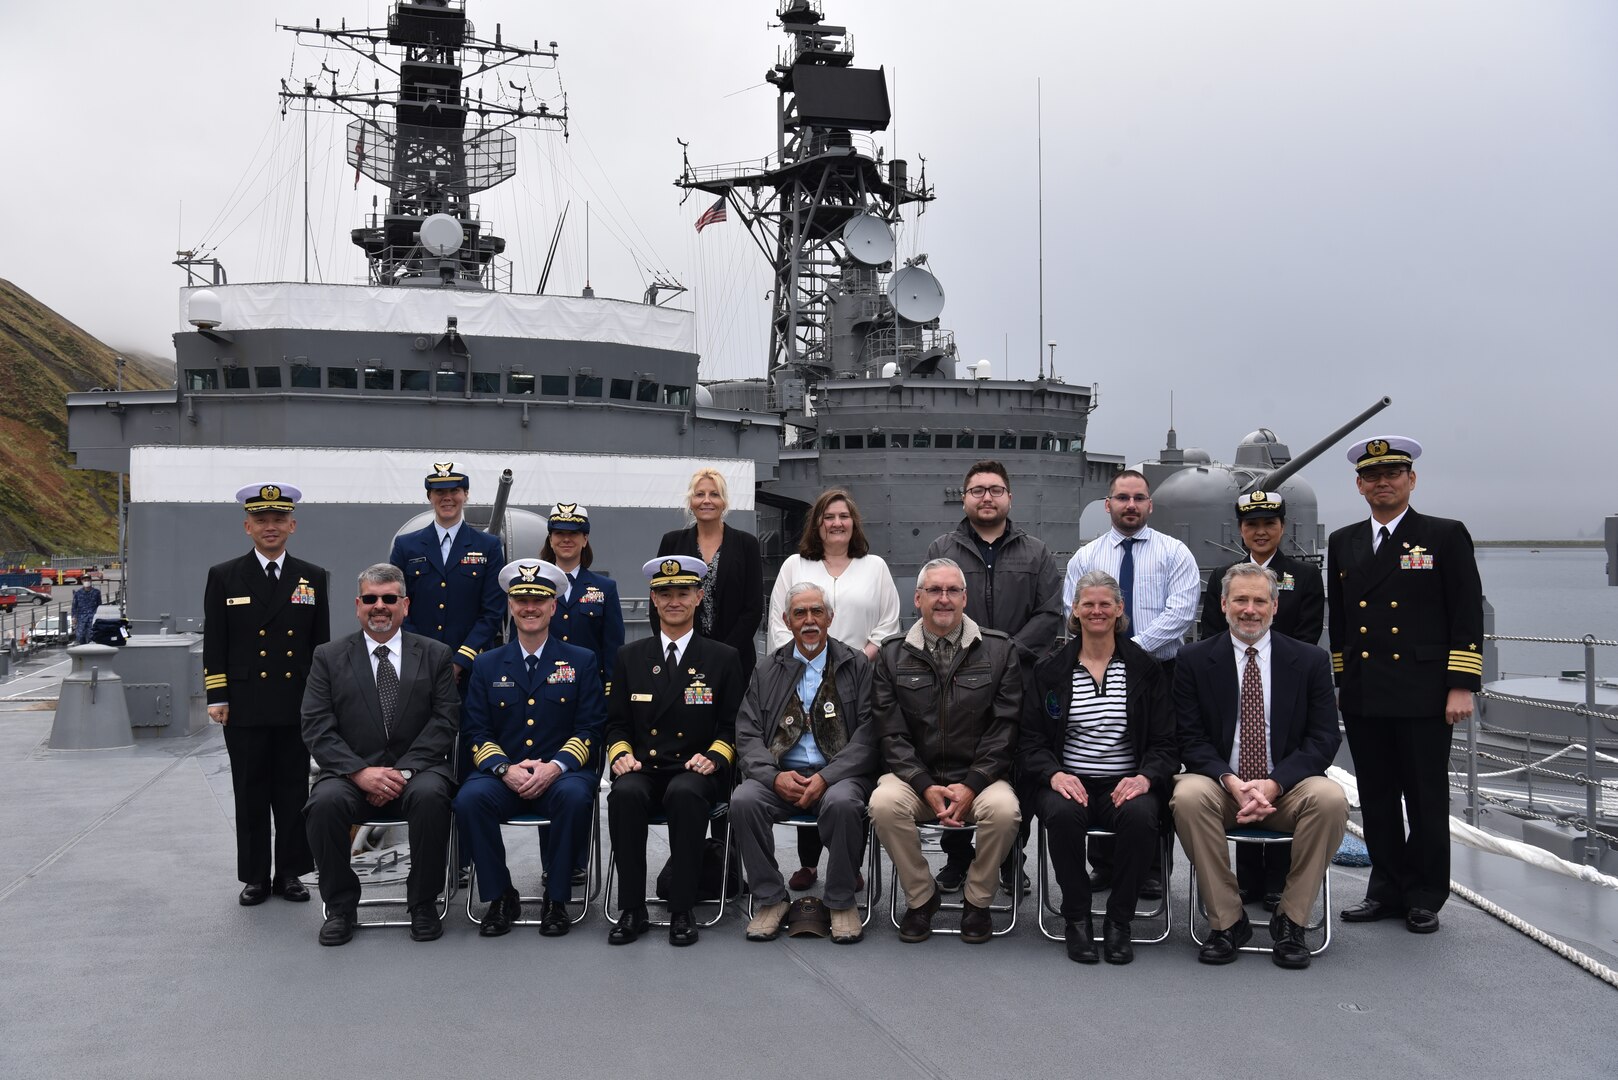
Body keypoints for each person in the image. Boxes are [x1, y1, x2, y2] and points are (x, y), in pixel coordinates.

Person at [1328, 436, 1482, 935]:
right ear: (1359, 485)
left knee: (1425, 796)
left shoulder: (1443, 535)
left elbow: (1466, 614)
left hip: (1424, 692)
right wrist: (1341, 681)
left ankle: (1424, 894)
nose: (1382, 482)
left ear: (1411, 480)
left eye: (1393, 473)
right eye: (1372, 476)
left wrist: (1462, 685)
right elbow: (1343, 621)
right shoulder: (1344, 542)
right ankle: (1386, 889)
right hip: (1367, 691)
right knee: (1375, 797)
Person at [1172, 564, 1348, 968]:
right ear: (1222, 604)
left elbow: (1324, 739)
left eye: (1258, 601)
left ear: (1274, 606)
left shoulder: (1310, 661)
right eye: (1240, 600)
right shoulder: (1194, 660)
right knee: (1187, 795)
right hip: (1223, 787)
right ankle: (1227, 921)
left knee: (1331, 799)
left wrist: (1274, 785)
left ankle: (1292, 919)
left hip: (1285, 791)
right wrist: (1232, 781)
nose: (1249, 610)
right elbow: (1189, 737)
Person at [1021, 571, 1176, 965]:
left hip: (1126, 781)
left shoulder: (1144, 669)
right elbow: (1031, 741)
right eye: (1087, 604)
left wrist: (1144, 777)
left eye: (1105, 604)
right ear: (1074, 609)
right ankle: (1078, 919)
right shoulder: (1051, 670)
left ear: (1119, 609)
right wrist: (1054, 774)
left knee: (1142, 818)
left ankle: (1119, 922)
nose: (1096, 611)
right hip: (1068, 779)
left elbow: (1164, 743)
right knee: (1062, 815)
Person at [301, 564, 458, 946]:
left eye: (389, 598)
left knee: (432, 798)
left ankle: (422, 904)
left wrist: (401, 772)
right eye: (370, 599)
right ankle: (340, 908)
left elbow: (445, 720)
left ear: (405, 604)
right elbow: (316, 725)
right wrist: (360, 772)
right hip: (350, 774)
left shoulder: (436, 655)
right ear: (358, 605)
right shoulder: (328, 656)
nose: (380, 606)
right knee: (323, 804)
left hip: (417, 771)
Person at [868, 558, 1022, 944]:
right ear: (917, 598)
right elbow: (890, 733)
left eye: (952, 590)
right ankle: (922, 898)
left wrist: (971, 785)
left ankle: (977, 901)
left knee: (1005, 812)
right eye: (934, 591)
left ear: (965, 598)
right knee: (884, 804)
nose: (944, 599)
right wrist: (923, 785)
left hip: (980, 780)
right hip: (916, 779)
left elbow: (1004, 729)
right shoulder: (891, 654)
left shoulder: (1000, 651)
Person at [926, 460, 1062, 896]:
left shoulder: (1036, 552)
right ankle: (957, 857)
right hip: (953, 679)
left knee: (1017, 771)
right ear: (964, 497)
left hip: (1018, 680)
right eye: (978, 490)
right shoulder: (942, 549)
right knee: (954, 763)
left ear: (1009, 498)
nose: (987, 497)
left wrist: (1006, 655)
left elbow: (1049, 614)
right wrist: (971, 657)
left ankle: (1009, 858)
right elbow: (936, 608)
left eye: (996, 490)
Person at [1062, 469, 1199, 896]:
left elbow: (1181, 613)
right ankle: (1104, 863)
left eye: (1139, 498)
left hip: (1160, 672)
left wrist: (1127, 652)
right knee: (1103, 759)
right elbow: (1074, 608)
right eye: (1122, 498)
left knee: (1150, 770)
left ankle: (1152, 867)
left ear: (1150, 504)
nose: (1131, 505)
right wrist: (1110, 654)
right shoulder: (1085, 558)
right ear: (1108, 505)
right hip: (1095, 670)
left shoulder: (1175, 553)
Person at [452, 560, 606, 938]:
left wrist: (556, 766)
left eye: (539, 599)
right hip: (504, 777)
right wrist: (505, 769)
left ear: (554, 606)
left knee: (575, 796)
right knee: (470, 799)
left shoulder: (581, 661)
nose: (530, 607)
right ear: (510, 605)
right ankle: (500, 895)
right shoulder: (487, 665)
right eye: (521, 599)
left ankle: (557, 900)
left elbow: (590, 727)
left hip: (560, 777)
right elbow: (475, 730)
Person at [604, 555, 744, 947]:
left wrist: (715, 756)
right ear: (653, 599)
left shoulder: (722, 657)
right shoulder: (629, 657)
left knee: (684, 794)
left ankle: (682, 909)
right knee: (625, 794)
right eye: (665, 594)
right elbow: (615, 722)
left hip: (695, 769)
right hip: (644, 767)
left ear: (699, 597)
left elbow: (733, 724)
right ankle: (632, 908)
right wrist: (619, 754)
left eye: (683, 592)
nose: (674, 601)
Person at [766, 488, 901, 890]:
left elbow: (889, 624)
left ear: (853, 522)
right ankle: (809, 864)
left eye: (843, 516)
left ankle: (849, 864)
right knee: (806, 758)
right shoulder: (795, 565)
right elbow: (777, 621)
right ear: (818, 525)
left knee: (846, 766)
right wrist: (801, 663)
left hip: (858, 680)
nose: (837, 523)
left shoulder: (874, 567)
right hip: (801, 679)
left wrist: (855, 662)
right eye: (828, 517)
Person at [203, 483, 330, 906]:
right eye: (261, 520)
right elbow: (215, 642)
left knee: (294, 791)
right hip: (245, 703)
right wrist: (216, 696)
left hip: (295, 703)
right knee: (251, 790)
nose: (270, 527)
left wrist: (320, 701)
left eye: (278, 520)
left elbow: (319, 646)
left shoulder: (312, 576)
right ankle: (255, 876)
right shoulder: (224, 576)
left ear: (292, 525)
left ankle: (290, 873)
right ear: (247, 527)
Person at [1199, 489, 1326, 908]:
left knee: (1278, 767)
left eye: (1269, 523)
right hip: (1234, 683)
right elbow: (1210, 637)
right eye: (1252, 524)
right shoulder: (1223, 576)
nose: (1260, 531)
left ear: (1282, 527)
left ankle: (1279, 886)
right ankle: (1249, 884)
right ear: (1241, 528)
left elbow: (1306, 637)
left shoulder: (1303, 576)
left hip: (1285, 689)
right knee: (1244, 760)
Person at [733, 582, 878, 945]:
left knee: (845, 804)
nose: (809, 621)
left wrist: (828, 777)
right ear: (786, 620)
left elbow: (871, 732)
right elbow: (747, 735)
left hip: (839, 773)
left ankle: (842, 900)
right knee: (743, 800)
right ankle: (769, 898)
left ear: (830, 617)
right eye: (800, 613)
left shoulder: (856, 664)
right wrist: (773, 776)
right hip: (782, 774)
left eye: (817, 612)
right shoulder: (767, 670)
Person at [539, 501, 624, 889]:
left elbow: (613, 651)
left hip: (588, 701)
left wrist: (607, 700)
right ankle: (552, 861)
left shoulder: (603, 589)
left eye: (574, 532)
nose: (566, 539)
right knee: (544, 774)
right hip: (542, 700)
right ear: (551, 538)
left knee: (580, 781)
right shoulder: (536, 586)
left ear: (585, 538)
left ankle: (575, 860)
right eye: (559, 532)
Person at [387, 461, 505, 681]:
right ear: (430, 496)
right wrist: (425, 657)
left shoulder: (489, 547)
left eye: (455, 490)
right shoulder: (406, 546)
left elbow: (492, 613)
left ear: (466, 494)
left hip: (472, 670)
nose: (447, 497)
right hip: (418, 668)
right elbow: (397, 606)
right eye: (439, 491)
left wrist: (460, 662)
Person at [655, 467, 763, 675]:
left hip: (734, 658)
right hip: (681, 656)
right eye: (699, 494)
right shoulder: (672, 543)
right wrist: (673, 646)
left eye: (714, 494)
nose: (707, 500)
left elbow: (753, 609)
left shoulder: (746, 544)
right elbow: (658, 601)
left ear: (724, 502)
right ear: (691, 502)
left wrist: (723, 654)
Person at [71, 579, 103, 645]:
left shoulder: (96, 592)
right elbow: (74, 606)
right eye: (85, 580)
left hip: (92, 617)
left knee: (91, 637)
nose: (87, 582)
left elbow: (99, 605)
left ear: (91, 581)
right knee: (80, 636)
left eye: (88, 580)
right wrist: (73, 617)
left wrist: (99, 616)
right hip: (81, 618)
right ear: (82, 581)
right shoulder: (78, 593)